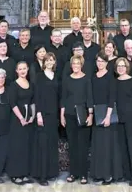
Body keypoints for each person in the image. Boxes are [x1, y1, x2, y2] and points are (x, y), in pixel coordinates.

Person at [90, 51, 122, 184]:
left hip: (108, 114)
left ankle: (109, 175)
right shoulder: (93, 76)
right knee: (98, 146)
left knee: (109, 146)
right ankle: (99, 174)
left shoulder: (110, 76)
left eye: (102, 61)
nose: (100, 63)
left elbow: (112, 98)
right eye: (98, 61)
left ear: (107, 63)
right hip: (97, 114)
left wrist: (108, 116)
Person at [60, 55, 93, 184]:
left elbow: (89, 98)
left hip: (83, 115)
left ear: (81, 65)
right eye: (73, 63)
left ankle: (83, 174)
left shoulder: (86, 79)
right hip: (69, 114)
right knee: (72, 146)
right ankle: (73, 173)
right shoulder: (67, 80)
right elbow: (63, 98)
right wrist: (62, 115)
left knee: (83, 146)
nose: (75, 66)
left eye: (77, 63)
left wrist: (90, 115)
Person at [33, 53, 60, 185]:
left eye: (52, 60)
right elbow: (36, 96)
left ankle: (51, 173)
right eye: (47, 60)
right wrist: (38, 114)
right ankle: (42, 176)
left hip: (54, 115)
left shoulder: (57, 76)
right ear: (44, 62)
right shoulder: (39, 76)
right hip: (42, 114)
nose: (50, 62)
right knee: (42, 145)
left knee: (51, 144)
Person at [7, 62, 35, 184]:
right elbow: (12, 104)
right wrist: (21, 118)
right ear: (16, 71)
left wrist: (33, 116)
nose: (22, 71)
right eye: (20, 69)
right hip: (17, 120)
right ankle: (15, 174)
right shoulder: (13, 85)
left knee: (26, 146)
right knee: (17, 147)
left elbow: (33, 101)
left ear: (27, 69)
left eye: (24, 68)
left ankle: (24, 173)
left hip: (29, 119)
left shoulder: (31, 84)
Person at [115, 57, 132, 186]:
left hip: (131, 117)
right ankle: (126, 174)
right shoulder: (115, 81)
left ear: (127, 67)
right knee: (123, 147)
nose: (121, 68)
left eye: (123, 66)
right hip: (118, 118)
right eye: (119, 66)